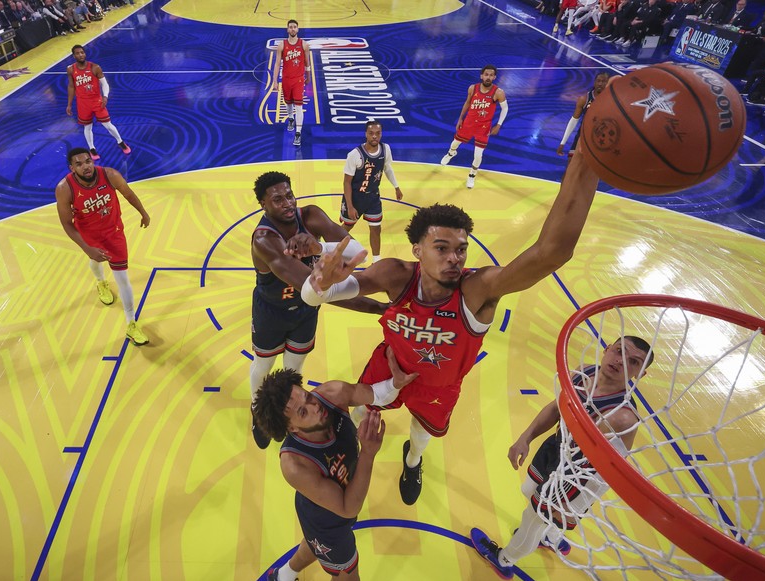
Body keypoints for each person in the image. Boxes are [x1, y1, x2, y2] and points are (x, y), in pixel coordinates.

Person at [300, 147, 601, 506]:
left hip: (438, 383)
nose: (454, 258)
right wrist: (317, 283)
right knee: (362, 413)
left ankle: (413, 462)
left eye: (461, 249)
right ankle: (357, 454)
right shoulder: (394, 274)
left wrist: (588, 159)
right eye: (441, 248)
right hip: (390, 363)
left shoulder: (479, 290)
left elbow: (551, 253)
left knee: (421, 435)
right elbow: (315, 298)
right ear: (417, 250)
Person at [470, 336, 655, 579]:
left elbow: (608, 473)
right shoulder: (583, 372)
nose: (620, 361)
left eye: (633, 362)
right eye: (619, 351)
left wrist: (573, 506)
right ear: (607, 349)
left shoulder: (623, 418)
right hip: (558, 446)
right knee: (529, 490)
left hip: (579, 474)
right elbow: (556, 408)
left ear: (639, 374)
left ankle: (505, 559)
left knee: (532, 519)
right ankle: (553, 534)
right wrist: (525, 437)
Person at [249, 171, 387, 450]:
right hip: (272, 312)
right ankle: (257, 410)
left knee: (294, 366)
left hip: (304, 311)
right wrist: (378, 307)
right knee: (263, 365)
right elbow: (315, 290)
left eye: (289, 195)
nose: (287, 203)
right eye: (277, 200)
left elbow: (354, 249)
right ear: (263, 205)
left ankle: (289, 412)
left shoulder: (310, 215)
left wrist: (319, 246)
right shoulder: (265, 240)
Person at [255, 348, 417, 581]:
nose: (314, 406)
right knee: (349, 575)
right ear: (291, 428)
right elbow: (347, 507)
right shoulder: (294, 465)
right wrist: (368, 454)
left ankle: (283, 576)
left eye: (307, 396)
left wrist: (396, 383)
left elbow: (376, 394)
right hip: (327, 521)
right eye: (303, 411)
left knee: (314, 544)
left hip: (324, 509)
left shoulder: (332, 393)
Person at [55, 147, 151, 346]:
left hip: (114, 232)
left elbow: (128, 194)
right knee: (94, 260)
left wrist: (143, 212)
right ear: (71, 168)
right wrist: (86, 247)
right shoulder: (65, 188)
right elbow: (66, 223)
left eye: (88, 161)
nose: (86, 166)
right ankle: (100, 281)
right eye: (79, 164)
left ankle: (131, 324)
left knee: (123, 278)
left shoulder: (110, 175)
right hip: (89, 235)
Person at [341, 120, 404, 264]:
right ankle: (327, 251)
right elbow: (347, 182)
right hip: (355, 198)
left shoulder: (386, 149)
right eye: (371, 133)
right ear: (366, 134)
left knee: (376, 229)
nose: (374, 136)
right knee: (344, 230)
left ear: (381, 134)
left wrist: (396, 186)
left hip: (373, 197)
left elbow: (387, 168)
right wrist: (350, 206)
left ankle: (376, 261)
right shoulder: (355, 155)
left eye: (378, 133)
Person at [439, 65, 509, 189]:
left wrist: (498, 125)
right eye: (486, 74)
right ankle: (450, 154)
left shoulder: (498, 92)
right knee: (455, 143)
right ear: (481, 76)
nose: (488, 77)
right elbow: (467, 102)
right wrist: (460, 118)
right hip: (469, 123)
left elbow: (505, 108)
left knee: (478, 155)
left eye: (491, 75)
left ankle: (472, 175)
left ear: (494, 77)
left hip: (483, 127)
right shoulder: (473, 88)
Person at [66, 44, 132, 160]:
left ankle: (120, 142)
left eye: (82, 52)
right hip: (82, 102)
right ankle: (92, 149)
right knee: (87, 127)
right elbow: (71, 87)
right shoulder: (70, 69)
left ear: (85, 53)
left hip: (97, 100)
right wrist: (69, 104)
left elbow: (104, 83)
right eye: (77, 53)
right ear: (74, 55)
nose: (80, 55)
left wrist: (105, 97)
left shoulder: (95, 67)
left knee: (108, 124)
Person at [271, 19, 310, 147]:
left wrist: (308, 76)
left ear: (297, 29)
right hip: (286, 79)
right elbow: (277, 64)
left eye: (295, 27)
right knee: (288, 102)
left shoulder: (304, 44)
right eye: (290, 27)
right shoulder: (282, 45)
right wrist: (274, 80)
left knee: (299, 106)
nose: (293, 29)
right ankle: (290, 118)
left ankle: (298, 133)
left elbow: (307, 63)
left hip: (298, 80)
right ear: (287, 30)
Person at [557, 72, 610, 157]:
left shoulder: (612, 101)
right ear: (594, 82)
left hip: (600, 138)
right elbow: (574, 120)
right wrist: (563, 142)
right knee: (571, 164)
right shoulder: (584, 99)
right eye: (598, 81)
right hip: (582, 136)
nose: (600, 84)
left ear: (608, 83)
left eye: (604, 81)